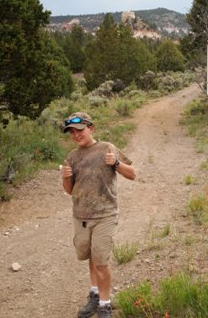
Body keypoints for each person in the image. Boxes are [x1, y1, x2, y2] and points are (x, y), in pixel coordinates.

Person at [60, 112, 136, 318]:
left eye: (80, 130)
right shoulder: (72, 157)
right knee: (91, 257)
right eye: (72, 132)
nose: (76, 135)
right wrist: (66, 177)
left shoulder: (107, 148)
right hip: (81, 216)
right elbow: (69, 189)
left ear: (91, 129)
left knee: (101, 261)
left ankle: (104, 304)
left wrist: (116, 164)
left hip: (105, 215)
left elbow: (133, 174)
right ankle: (94, 295)